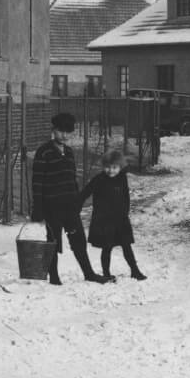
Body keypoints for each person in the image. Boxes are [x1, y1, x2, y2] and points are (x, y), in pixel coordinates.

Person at [31, 112, 105, 284]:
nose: (64, 135)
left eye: (68, 132)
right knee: (53, 242)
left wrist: (77, 201)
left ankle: (89, 273)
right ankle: (54, 277)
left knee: (78, 240)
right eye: (60, 131)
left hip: (70, 206)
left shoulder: (70, 152)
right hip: (52, 207)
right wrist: (38, 208)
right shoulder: (44, 152)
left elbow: (72, 179)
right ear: (54, 130)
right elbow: (37, 183)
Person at [77, 146, 145, 281]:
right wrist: (77, 205)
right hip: (104, 220)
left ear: (120, 167)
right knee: (107, 248)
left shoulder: (122, 178)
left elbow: (126, 196)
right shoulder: (99, 179)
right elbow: (85, 193)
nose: (110, 171)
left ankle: (135, 270)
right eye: (107, 167)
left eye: (114, 167)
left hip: (120, 219)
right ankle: (106, 274)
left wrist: (125, 212)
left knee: (126, 246)